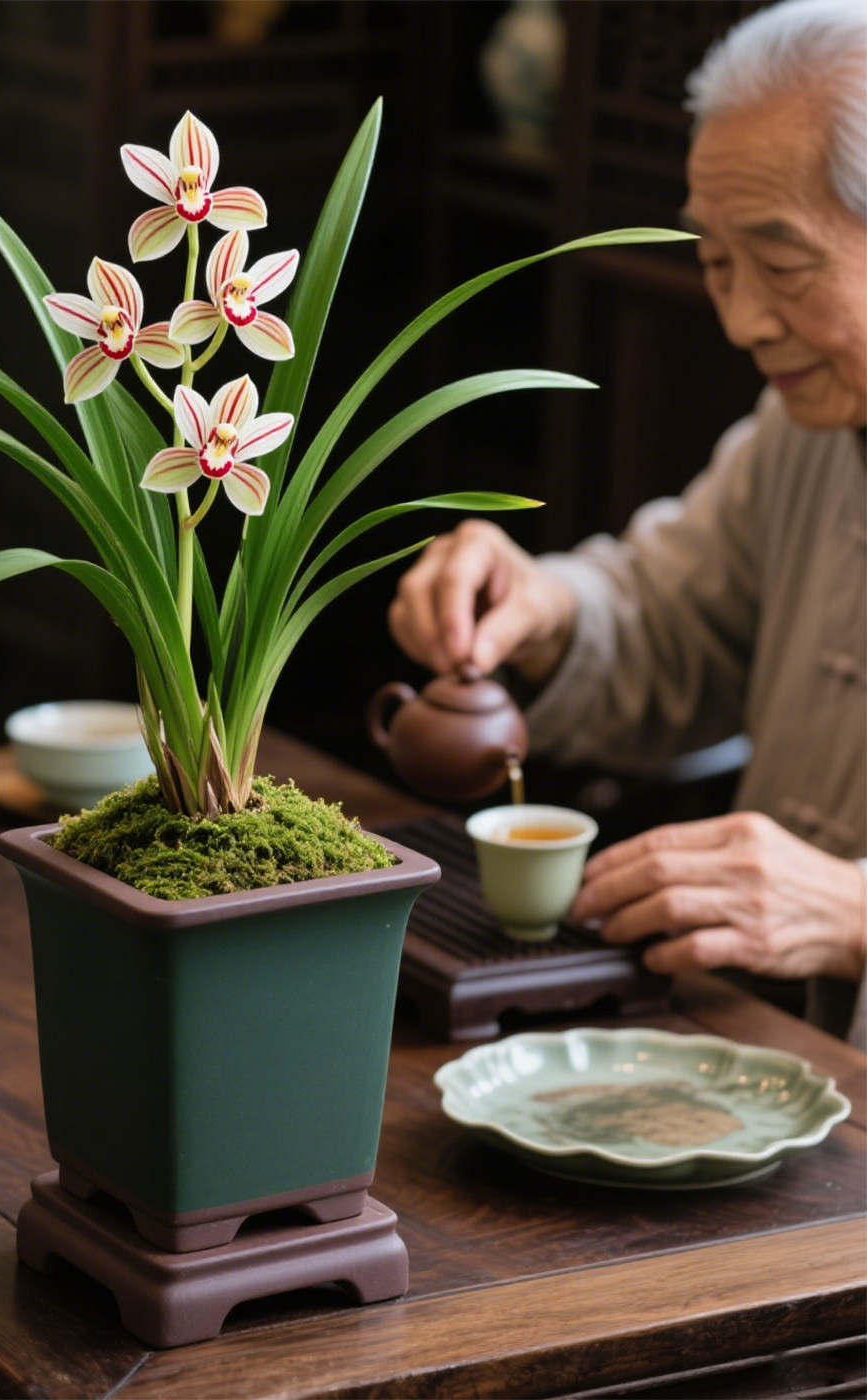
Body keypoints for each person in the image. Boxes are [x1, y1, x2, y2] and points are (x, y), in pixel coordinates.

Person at [387, 0, 867, 1047]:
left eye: (780, 265)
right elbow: (670, 614)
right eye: (714, 262)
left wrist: (851, 913)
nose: (740, 321)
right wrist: (543, 605)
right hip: (771, 1063)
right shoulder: (804, 428)